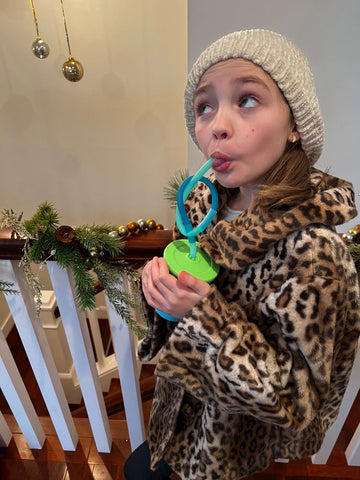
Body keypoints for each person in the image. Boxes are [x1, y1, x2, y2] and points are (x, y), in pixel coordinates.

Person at [124, 29, 360, 480]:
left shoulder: (315, 252)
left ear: (294, 125)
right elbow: (175, 328)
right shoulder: (201, 208)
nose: (217, 125)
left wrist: (204, 314)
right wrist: (160, 297)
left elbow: (294, 402)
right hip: (178, 419)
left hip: (237, 450)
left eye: (247, 98)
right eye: (204, 107)